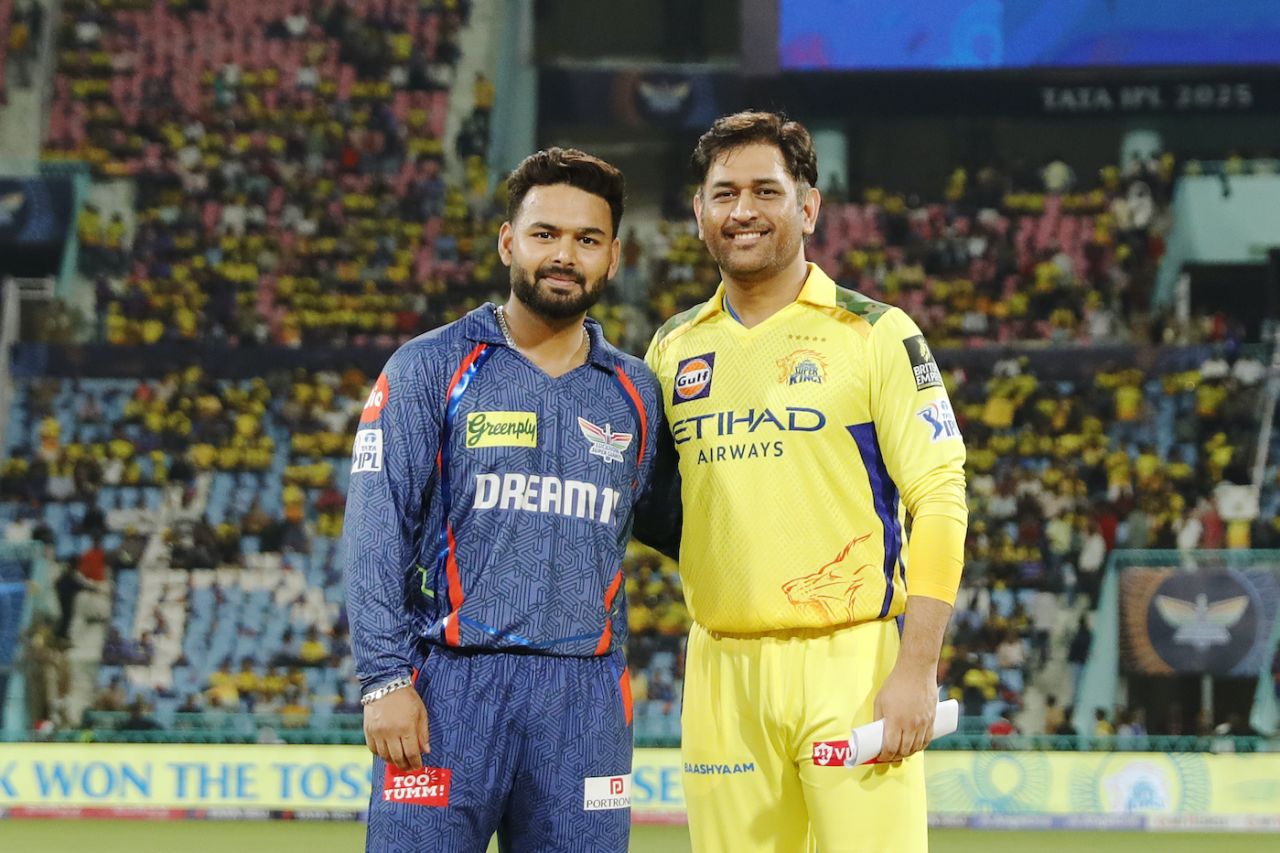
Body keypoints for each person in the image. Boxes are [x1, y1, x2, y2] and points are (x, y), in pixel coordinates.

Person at [636, 112, 967, 852]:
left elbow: (941, 498)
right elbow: (656, 507)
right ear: (699, 213)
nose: (742, 210)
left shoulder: (877, 334)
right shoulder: (671, 347)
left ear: (808, 207)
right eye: (723, 194)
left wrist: (917, 666)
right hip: (721, 666)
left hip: (851, 662)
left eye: (765, 190)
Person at [345, 147, 661, 853]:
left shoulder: (639, 392)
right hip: (447, 690)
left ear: (613, 257)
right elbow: (373, 528)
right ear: (507, 241)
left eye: (587, 239)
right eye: (545, 233)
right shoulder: (431, 365)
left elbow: (678, 525)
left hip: (584, 703)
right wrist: (382, 677)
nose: (564, 255)